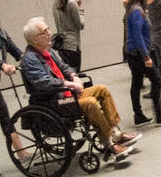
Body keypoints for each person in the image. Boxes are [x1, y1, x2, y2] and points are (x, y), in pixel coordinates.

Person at [20, 17, 138, 162]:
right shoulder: (29, 59)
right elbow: (44, 83)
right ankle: (109, 144)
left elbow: (64, 67)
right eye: (45, 31)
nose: (50, 33)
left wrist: (74, 76)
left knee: (102, 89)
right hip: (55, 102)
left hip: (67, 96)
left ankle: (116, 133)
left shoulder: (47, 51)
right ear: (35, 39)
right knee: (90, 103)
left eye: (48, 29)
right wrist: (69, 84)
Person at [124, 0, 161, 127]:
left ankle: (139, 115)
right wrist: (146, 57)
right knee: (156, 80)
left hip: (133, 52)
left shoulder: (135, 8)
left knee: (136, 82)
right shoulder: (137, 11)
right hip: (139, 54)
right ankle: (159, 116)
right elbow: (138, 37)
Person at [0, 23, 29, 163]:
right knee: (3, 113)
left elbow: (11, 46)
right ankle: (20, 152)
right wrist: (2, 65)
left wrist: (27, 58)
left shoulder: (0, 30)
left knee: (4, 114)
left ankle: (21, 152)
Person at [52, 0, 86, 70]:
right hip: (72, 46)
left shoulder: (55, 0)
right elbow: (80, 25)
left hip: (61, 45)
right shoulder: (71, 2)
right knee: (75, 76)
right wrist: (80, 7)